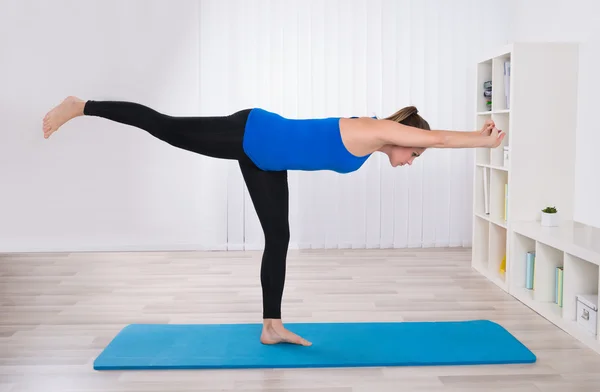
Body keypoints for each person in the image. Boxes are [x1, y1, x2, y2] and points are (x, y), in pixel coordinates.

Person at [42, 96, 503, 346]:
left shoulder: (374, 143)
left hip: (266, 159)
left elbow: (428, 140)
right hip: (251, 133)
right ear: (406, 135)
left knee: (278, 239)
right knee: (165, 125)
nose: (411, 160)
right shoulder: (374, 129)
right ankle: (82, 106)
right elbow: (439, 138)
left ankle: (271, 325)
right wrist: (481, 142)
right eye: (414, 154)